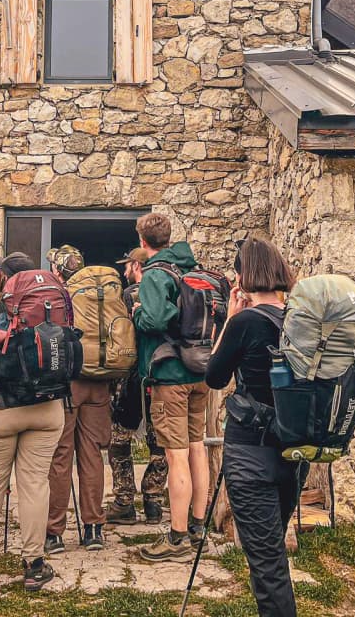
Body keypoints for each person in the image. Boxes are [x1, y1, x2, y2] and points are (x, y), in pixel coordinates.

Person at [205, 237, 305, 617]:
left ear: (242, 276)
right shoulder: (299, 319)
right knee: (271, 553)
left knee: (267, 567)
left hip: (251, 455)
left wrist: (229, 319)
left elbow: (214, 377)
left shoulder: (245, 322)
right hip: (294, 453)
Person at [0, 252, 67, 595]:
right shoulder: (53, 301)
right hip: (47, 407)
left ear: (3, 278)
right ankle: (34, 566)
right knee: (35, 484)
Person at [131, 213, 211, 562]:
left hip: (171, 375)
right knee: (197, 448)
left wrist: (136, 311)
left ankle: (177, 538)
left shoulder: (155, 273)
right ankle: (198, 528)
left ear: (143, 241)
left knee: (175, 454)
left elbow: (156, 319)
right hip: (200, 372)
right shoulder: (194, 269)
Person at [44, 245, 113, 552]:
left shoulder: (59, 295)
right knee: (92, 454)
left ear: (59, 270)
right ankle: (94, 528)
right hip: (99, 382)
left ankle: (54, 532)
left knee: (61, 456)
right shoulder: (100, 293)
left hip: (68, 384)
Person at [107, 248, 166, 525]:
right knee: (160, 441)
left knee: (120, 439)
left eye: (127, 265)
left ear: (136, 265)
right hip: (161, 375)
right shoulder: (167, 291)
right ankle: (153, 501)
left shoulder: (128, 294)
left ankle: (124, 501)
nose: (124, 270)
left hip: (130, 377)